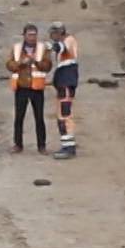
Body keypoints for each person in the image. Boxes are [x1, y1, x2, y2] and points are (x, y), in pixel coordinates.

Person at [3, 23, 52, 153]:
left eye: (34, 35)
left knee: (39, 118)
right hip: (21, 87)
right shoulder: (17, 48)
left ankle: (41, 146)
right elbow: (9, 65)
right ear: (24, 35)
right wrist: (21, 63)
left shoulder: (43, 48)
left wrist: (36, 61)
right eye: (30, 35)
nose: (32, 38)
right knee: (19, 117)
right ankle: (18, 144)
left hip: (37, 88)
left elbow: (47, 66)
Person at [48, 22, 80, 159]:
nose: (52, 36)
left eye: (54, 33)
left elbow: (61, 47)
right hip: (62, 84)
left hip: (66, 85)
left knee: (65, 115)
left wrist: (49, 47)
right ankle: (66, 145)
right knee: (61, 116)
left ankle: (69, 147)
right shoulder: (64, 52)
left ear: (59, 32)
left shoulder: (69, 40)